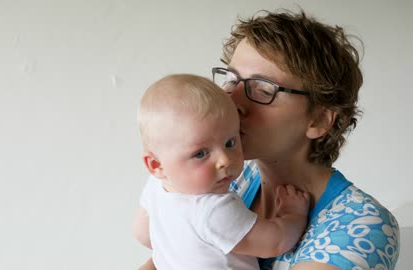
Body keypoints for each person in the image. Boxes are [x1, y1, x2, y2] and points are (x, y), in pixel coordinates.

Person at [139, 9, 400, 270]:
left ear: (319, 120)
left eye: (263, 88)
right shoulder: (228, 177)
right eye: (231, 80)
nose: (231, 101)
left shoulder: (361, 226)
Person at [132, 74, 310, 270]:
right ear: (156, 165)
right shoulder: (214, 208)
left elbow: (142, 234)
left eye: (230, 143)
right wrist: (293, 215)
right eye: (200, 153)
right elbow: (274, 243)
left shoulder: (155, 186)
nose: (225, 160)